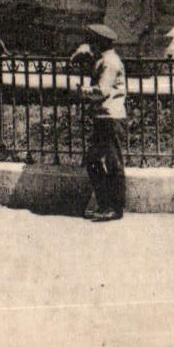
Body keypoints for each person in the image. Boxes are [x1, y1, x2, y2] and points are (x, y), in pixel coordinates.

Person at [74, 23, 127, 222]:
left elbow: (101, 91)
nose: (89, 44)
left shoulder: (110, 62)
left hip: (111, 117)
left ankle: (115, 207)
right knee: (94, 161)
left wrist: (83, 92)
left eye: (92, 41)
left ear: (100, 42)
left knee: (114, 163)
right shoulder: (103, 59)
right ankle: (105, 204)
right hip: (103, 117)